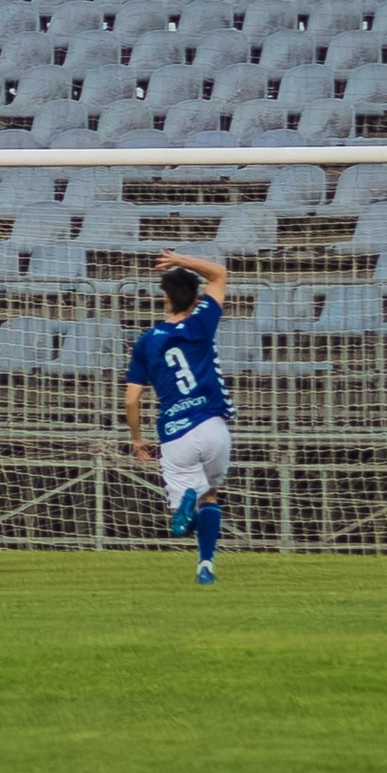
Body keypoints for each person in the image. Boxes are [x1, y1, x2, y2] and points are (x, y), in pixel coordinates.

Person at [124, 250, 234, 585]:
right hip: (213, 425)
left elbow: (131, 399)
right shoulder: (201, 323)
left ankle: (186, 508)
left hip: (175, 433)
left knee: (182, 517)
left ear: (166, 299)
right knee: (210, 495)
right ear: (196, 300)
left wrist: (137, 439)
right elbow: (218, 273)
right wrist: (179, 260)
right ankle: (206, 565)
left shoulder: (146, 342)